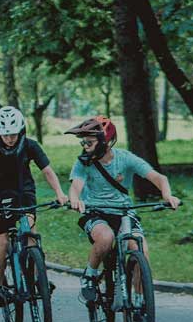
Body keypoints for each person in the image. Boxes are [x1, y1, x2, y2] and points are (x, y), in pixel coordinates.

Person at [66, 115, 180, 304]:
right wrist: (75, 200)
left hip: (124, 212)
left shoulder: (125, 158)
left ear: (106, 142)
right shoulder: (84, 162)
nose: (85, 146)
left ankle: (139, 300)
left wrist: (168, 195)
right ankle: (90, 276)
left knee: (141, 249)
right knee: (106, 238)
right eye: (83, 142)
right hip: (95, 212)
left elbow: (160, 179)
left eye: (89, 142)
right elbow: (75, 186)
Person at [0, 106, 68, 307]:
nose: (9, 139)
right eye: (5, 135)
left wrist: (60, 193)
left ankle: (36, 276)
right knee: (3, 243)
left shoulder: (31, 146)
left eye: (13, 134)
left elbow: (47, 171)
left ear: (21, 130)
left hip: (24, 193)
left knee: (30, 233)